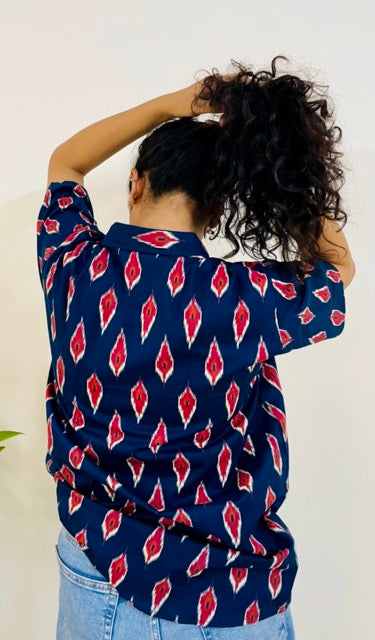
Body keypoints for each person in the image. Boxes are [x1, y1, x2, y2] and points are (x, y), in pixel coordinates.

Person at [36, 55, 355, 640]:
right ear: (215, 209)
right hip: (232, 584)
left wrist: (173, 103)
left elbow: (66, 163)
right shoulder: (249, 297)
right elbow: (337, 271)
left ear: (135, 183)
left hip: (98, 564)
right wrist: (280, 167)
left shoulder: (73, 265)